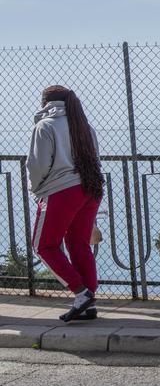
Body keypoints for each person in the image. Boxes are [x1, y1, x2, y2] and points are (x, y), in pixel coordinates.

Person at [27, 86, 103, 322]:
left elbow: (38, 165)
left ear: (46, 103)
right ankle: (89, 303)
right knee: (79, 244)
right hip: (91, 189)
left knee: (43, 246)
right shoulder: (84, 126)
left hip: (61, 191)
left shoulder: (45, 126)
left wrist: (36, 188)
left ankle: (81, 293)